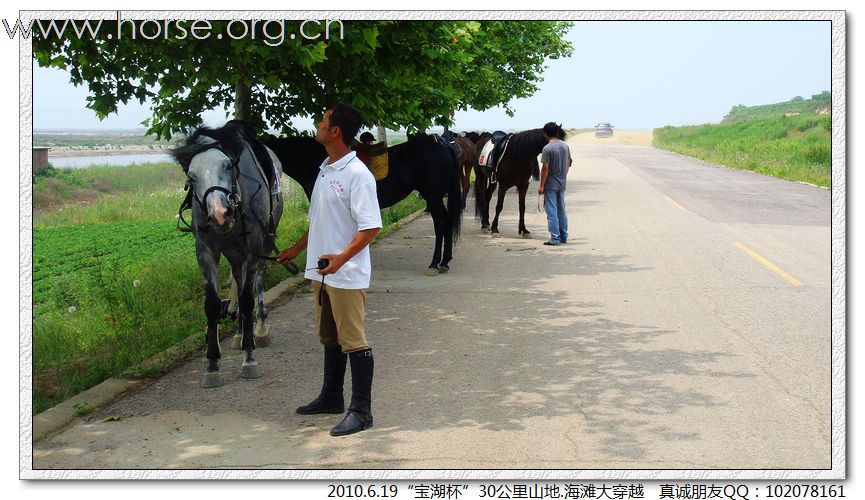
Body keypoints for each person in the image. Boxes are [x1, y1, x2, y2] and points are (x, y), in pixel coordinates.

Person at [276, 104, 382, 436]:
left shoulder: (358, 175)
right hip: (320, 272)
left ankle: (361, 411)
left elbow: (370, 228)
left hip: (345, 274)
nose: (318, 125)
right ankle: (331, 397)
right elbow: (319, 220)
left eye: (323, 121)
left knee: (353, 341)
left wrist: (341, 259)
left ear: (335, 131)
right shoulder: (325, 169)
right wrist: (296, 248)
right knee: (330, 337)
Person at [537, 122, 571, 246]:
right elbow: (568, 163)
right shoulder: (565, 146)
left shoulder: (547, 148)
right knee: (561, 210)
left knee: (551, 211)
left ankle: (555, 238)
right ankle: (563, 236)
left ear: (545, 133)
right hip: (562, 183)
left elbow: (545, 169)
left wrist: (541, 186)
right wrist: (563, 176)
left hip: (550, 184)